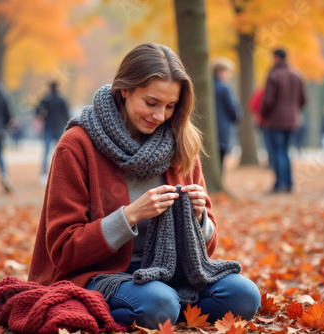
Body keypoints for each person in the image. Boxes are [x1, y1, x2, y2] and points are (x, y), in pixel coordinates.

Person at [28, 43, 261, 329]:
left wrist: (199, 218)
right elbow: (64, 250)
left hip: (172, 275)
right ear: (124, 90)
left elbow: (207, 251)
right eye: (151, 103)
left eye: (171, 106)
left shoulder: (181, 142)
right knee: (159, 304)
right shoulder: (77, 145)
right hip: (104, 275)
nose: (160, 116)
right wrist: (129, 216)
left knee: (244, 296)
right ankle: (160, 305)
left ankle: (166, 305)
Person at [261, 48, 306, 193]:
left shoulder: (273, 75)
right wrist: (293, 110)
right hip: (292, 120)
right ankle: (289, 183)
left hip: (275, 120)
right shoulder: (297, 75)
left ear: (276, 58)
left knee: (277, 152)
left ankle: (280, 184)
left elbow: (268, 100)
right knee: (286, 151)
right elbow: (303, 100)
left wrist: (263, 114)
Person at [35, 81, 70, 185]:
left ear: (49, 88)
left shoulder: (46, 99)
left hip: (48, 127)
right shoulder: (62, 99)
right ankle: (62, 174)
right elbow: (67, 115)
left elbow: (37, 110)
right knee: (61, 152)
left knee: (45, 152)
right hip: (59, 128)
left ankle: (44, 175)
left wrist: (44, 115)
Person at [212, 57, 242, 170]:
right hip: (223, 128)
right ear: (221, 72)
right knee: (221, 159)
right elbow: (233, 110)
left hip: (211, 129)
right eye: (228, 72)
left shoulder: (208, 87)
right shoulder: (225, 88)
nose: (229, 75)